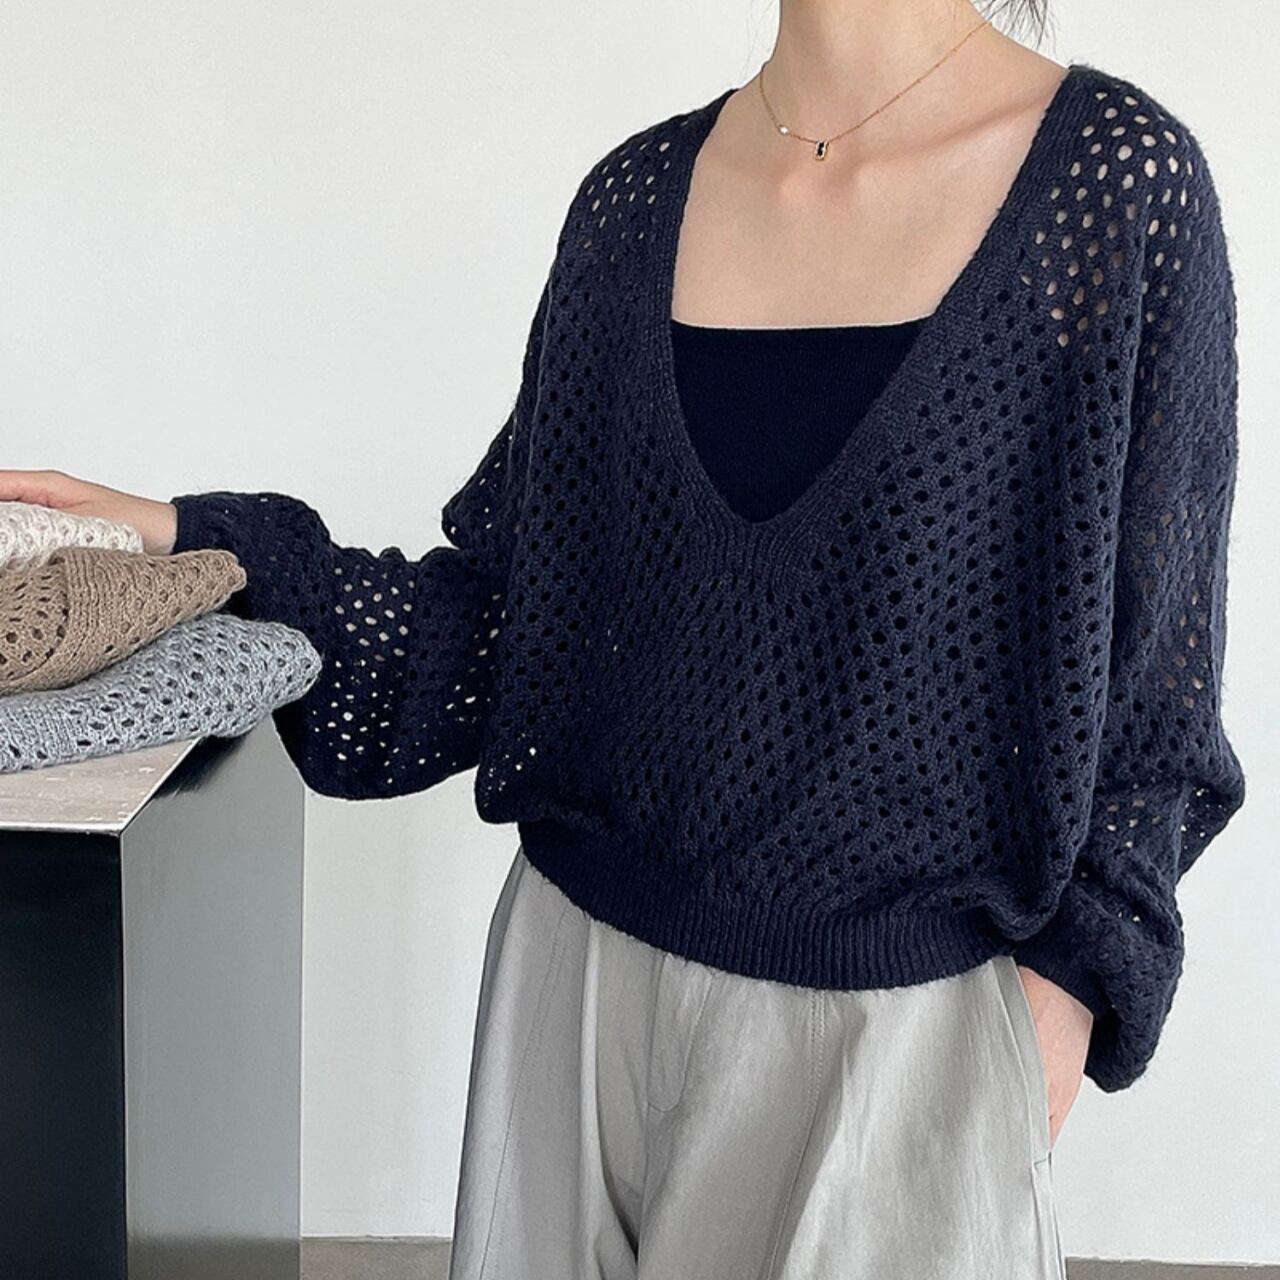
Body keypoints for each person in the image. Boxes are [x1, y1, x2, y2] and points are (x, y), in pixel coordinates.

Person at [3, 0, 1246, 1274]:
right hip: (573, 996)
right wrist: (201, 542)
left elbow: (1152, 705)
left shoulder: (1110, 188)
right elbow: (504, 628)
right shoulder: (633, 203)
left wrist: (1056, 1008)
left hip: (900, 1043)